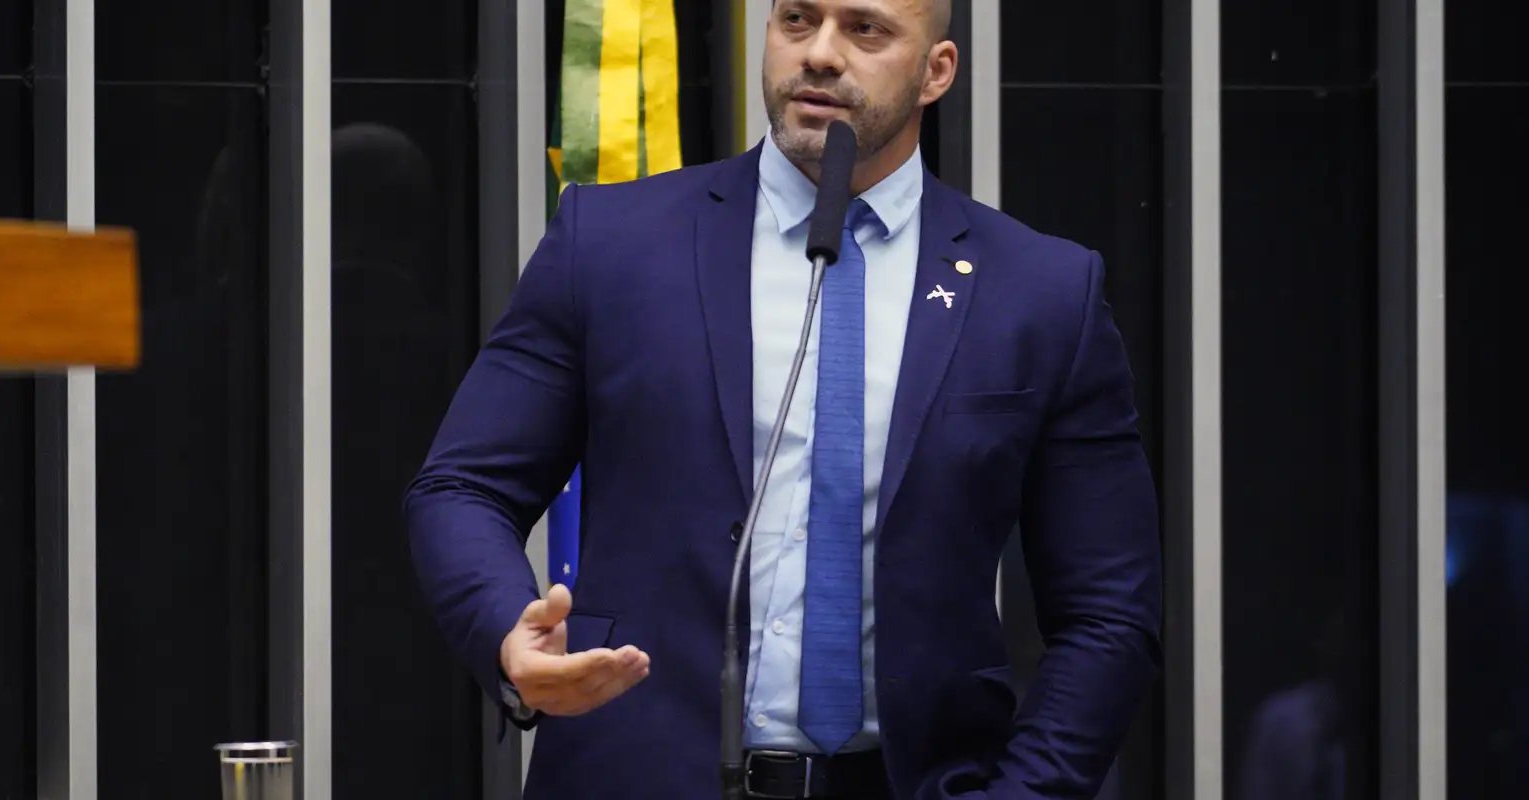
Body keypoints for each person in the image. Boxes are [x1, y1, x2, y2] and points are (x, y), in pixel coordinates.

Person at [405, 0, 1161, 796]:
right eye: (797, 20)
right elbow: (464, 486)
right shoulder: (612, 242)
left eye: (865, 29)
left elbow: (1109, 611)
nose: (821, 54)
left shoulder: (1042, 291)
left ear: (936, 71)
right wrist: (509, 636)